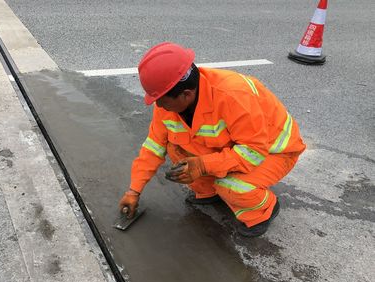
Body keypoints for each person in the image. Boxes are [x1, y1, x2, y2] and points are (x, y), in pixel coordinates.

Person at [118, 42, 306, 237]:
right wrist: (134, 191)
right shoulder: (169, 101)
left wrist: (203, 165)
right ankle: (209, 191)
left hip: (273, 151)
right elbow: (153, 147)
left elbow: (253, 152)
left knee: (233, 187)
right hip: (236, 146)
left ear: (186, 94)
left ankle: (263, 210)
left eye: (162, 101)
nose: (158, 105)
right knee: (178, 149)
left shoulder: (233, 96)